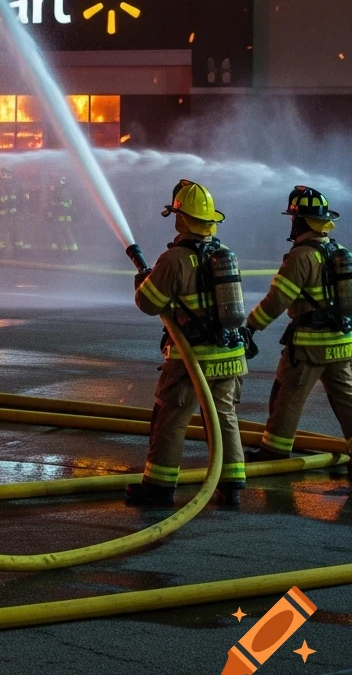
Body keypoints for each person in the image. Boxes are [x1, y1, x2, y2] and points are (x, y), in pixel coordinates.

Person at [126, 179, 249, 510]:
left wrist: (143, 282)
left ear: (180, 218)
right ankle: (232, 486)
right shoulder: (225, 255)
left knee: (171, 418)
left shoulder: (175, 258)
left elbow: (150, 304)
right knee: (223, 417)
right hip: (231, 355)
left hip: (191, 359)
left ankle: (158, 489)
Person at [246, 186, 352, 471]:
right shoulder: (341, 252)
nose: (292, 224)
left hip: (309, 346)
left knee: (288, 395)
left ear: (302, 221)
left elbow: (277, 299)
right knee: (346, 399)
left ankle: (273, 453)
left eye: (294, 219)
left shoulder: (301, 256)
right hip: (342, 342)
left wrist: (251, 326)